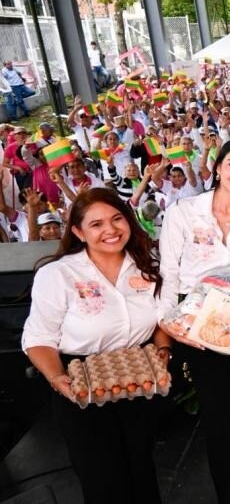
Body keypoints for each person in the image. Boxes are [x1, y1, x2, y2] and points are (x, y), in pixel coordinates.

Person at [21, 188, 170, 503]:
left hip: (138, 381)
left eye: (117, 219)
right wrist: (57, 378)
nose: (111, 230)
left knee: (141, 472)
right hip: (83, 384)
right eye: (97, 224)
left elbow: (161, 320)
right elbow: (38, 339)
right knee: (103, 479)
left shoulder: (147, 264)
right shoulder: (58, 274)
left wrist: (164, 351)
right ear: (78, 231)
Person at [157, 139, 230, 504]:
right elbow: (169, 272)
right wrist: (168, 322)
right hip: (201, 330)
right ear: (218, 168)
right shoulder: (183, 212)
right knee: (218, 416)